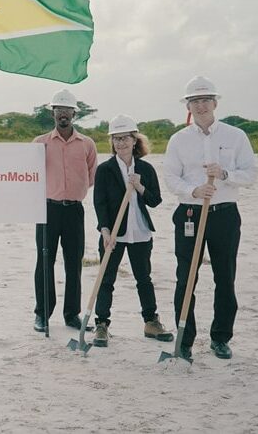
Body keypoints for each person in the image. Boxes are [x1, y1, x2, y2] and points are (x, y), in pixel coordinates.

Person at [164, 75, 258, 360]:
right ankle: (184, 340)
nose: (201, 105)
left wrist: (225, 175)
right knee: (186, 278)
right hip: (190, 214)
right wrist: (194, 189)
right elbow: (170, 178)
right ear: (188, 106)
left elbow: (251, 173)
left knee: (225, 277)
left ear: (215, 103)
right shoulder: (178, 139)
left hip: (224, 215)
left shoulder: (235, 136)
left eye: (205, 100)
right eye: (195, 101)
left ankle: (220, 337)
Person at [91, 114, 173, 347]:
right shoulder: (105, 170)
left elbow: (155, 200)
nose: (121, 143)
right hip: (114, 233)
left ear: (135, 140)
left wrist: (139, 185)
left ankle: (151, 322)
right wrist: (105, 231)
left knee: (143, 278)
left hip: (141, 232)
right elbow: (100, 203)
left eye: (125, 138)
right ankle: (101, 325)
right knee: (106, 279)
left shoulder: (145, 168)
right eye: (116, 139)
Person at [32, 89, 97, 332]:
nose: (63, 114)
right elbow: (31, 176)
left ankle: (72, 314)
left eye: (67, 110)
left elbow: (90, 176)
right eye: (59, 109)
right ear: (53, 113)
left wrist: (73, 192)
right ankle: (42, 314)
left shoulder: (86, 144)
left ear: (74, 113)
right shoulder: (40, 143)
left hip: (74, 210)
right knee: (44, 262)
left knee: (74, 263)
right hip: (47, 210)